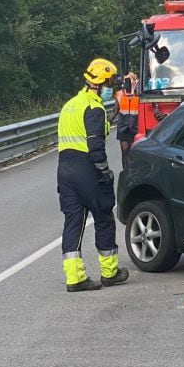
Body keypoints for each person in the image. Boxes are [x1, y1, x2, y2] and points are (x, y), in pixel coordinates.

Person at [56, 58, 130, 292]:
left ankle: (75, 278)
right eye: (110, 82)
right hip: (87, 168)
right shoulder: (94, 107)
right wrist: (104, 170)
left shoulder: (70, 105)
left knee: (73, 222)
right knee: (103, 216)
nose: (112, 87)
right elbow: (95, 143)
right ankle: (110, 273)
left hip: (64, 169)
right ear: (100, 83)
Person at [108, 72, 139, 167]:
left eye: (129, 80)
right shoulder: (120, 94)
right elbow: (115, 111)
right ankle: (125, 172)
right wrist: (107, 123)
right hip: (123, 126)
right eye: (125, 80)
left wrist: (134, 89)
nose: (127, 82)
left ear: (135, 81)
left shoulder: (139, 93)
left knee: (135, 152)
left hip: (136, 125)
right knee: (125, 152)